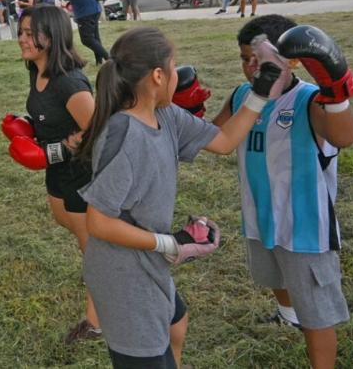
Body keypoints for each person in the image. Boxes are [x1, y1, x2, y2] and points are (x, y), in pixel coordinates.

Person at [76, 26, 286, 368]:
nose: (178, 74)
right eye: (174, 67)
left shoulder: (166, 115)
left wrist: (260, 91)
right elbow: (98, 222)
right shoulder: (123, 136)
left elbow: (223, 141)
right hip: (122, 273)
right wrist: (168, 243)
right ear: (158, 75)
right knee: (147, 355)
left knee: (177, 322)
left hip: (148, 262)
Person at [212, 15, 353, 369]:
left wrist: (336, 92)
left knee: (316, 314)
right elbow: (215, 136)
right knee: (275, 276)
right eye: (244, 58)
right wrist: (184, 113)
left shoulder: (309, 100)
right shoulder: (244, 94)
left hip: (305, 228)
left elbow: (344, 137)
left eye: (257, 59)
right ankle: (286, 314)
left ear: (290, 59)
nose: (250, 67)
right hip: (260, 216)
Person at [4, 5, 100, 344]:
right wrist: (27, 130)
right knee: (74, 231)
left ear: (53, 36)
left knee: (94, 253)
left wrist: (55, 150)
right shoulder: (37, 71)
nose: (22, 39)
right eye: (21, 32)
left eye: (31, 33)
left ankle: (97, 320)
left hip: (81, 176)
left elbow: (98, 131)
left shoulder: (69, 82)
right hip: (58, 174)